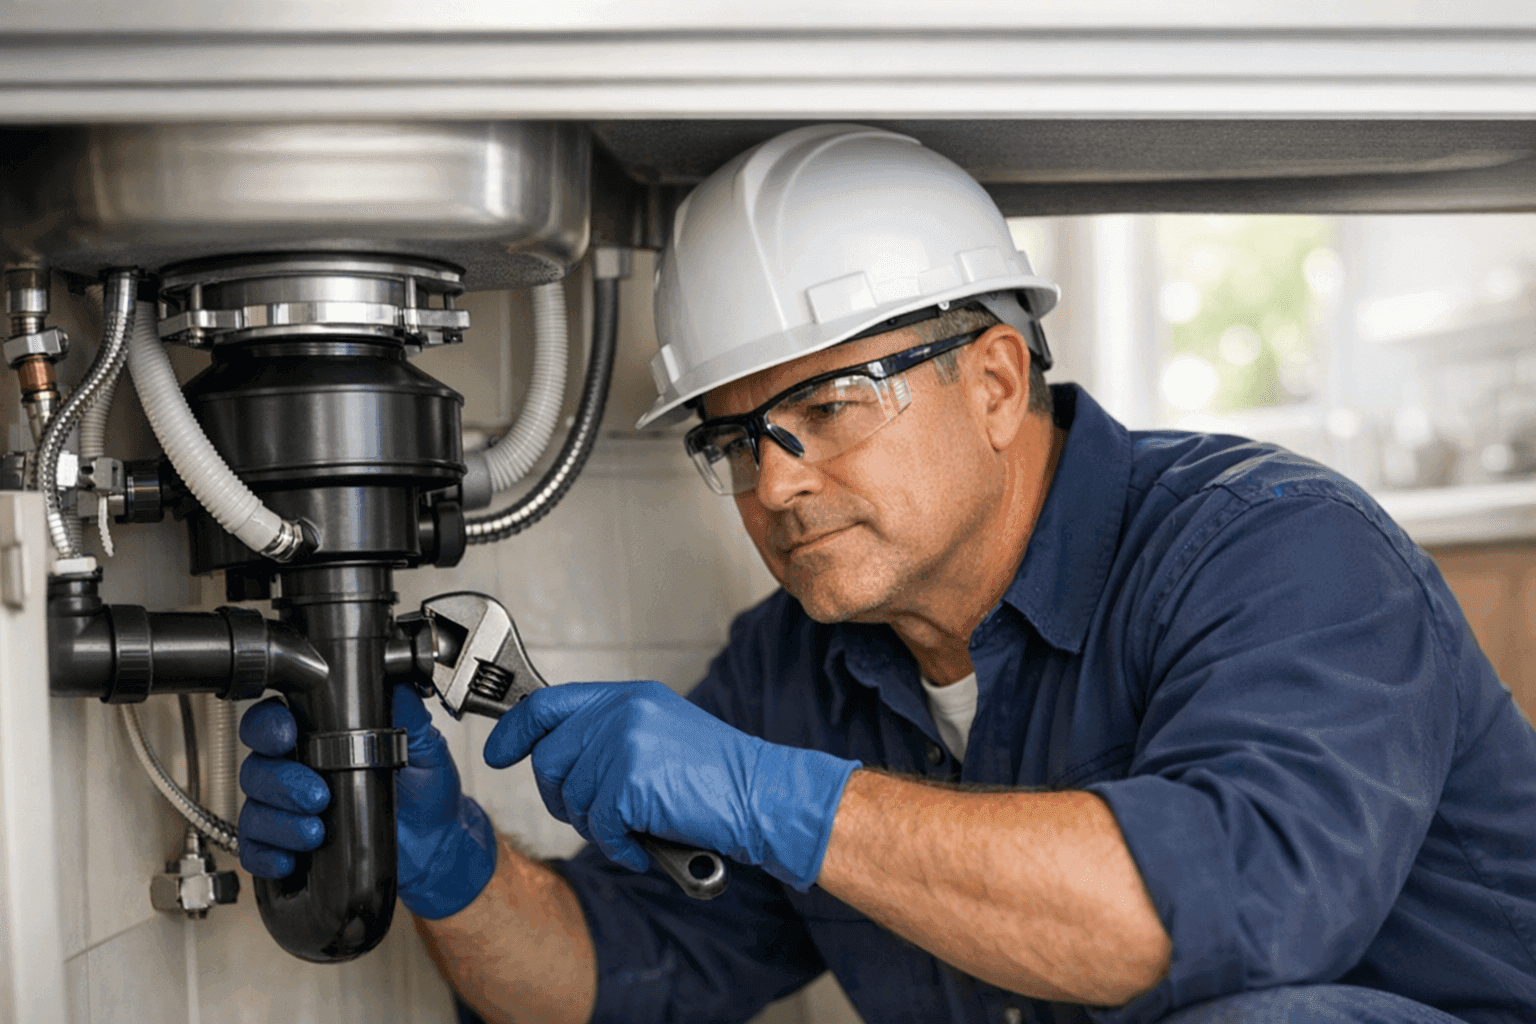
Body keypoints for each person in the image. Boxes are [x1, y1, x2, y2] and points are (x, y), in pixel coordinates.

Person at [237, 124, 1536, 1024]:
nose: (776, 483)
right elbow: (625, 979)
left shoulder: (1280, 551)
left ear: (995, 381)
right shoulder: (794, 667)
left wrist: (785, 800)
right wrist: (451, 868)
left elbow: (1219, 915)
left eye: (832, 406)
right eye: (737, 438)